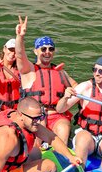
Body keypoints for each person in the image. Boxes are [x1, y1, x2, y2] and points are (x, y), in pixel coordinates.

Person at [14, 16, 77, 144]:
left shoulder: (60, 72)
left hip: (56, 115)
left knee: (64, 127)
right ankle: (37, 153)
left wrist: (71, 94)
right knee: (36, 138)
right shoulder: (28, 70)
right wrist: (20, 37)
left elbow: (77, 87)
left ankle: (58, 157)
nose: (47, 52)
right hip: (34, 116)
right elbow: (20, 55)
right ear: (36, 51)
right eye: (43, 49)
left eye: (51, 49)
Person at [0, 38, 21, 118]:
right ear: (4, 49)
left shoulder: (19, 69)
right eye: (10, 49)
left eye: (15, 51)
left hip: (15, 110)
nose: (12, 53)